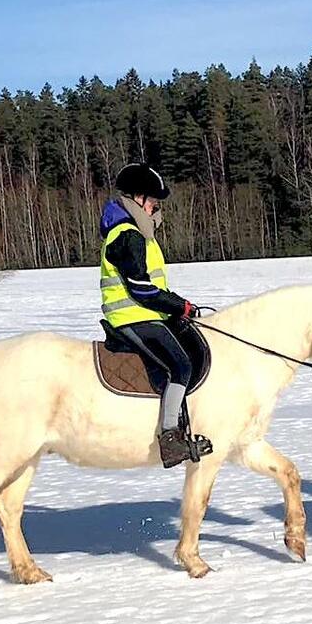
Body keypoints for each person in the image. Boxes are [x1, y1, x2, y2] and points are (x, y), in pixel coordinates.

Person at [98, 162, 210, 468]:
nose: (156, 210)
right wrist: (179, 306)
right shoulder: (127, 235)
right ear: (138, 199)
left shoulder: (136, 233)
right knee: (181, 366)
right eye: (153, 203)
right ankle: (170, 438)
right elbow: (141, 289)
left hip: (146, 314)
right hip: (131, 316)